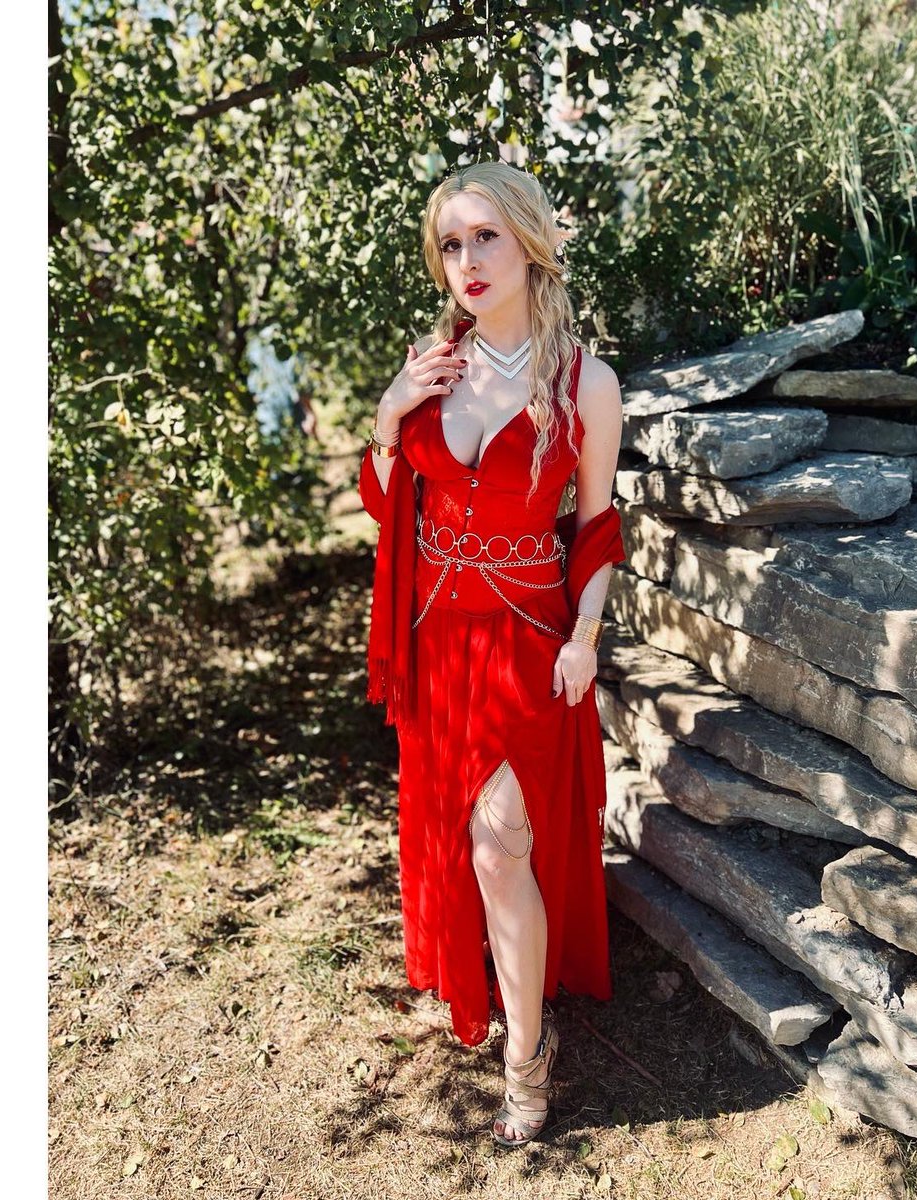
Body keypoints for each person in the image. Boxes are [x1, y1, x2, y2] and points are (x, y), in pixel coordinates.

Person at [357, 161, 625, 1148]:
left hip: (527, 640)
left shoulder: (586, 382)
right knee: (459, 837)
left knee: (500, 845)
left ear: (529, 243)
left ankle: (527, 1054)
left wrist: (586, 638)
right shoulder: (433, 366)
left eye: (485, 238)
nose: (466, 260)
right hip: (436, 642)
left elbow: (596, 530)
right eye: (450, 244)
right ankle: (498, 994)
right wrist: (390, 415)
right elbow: (386, 502)